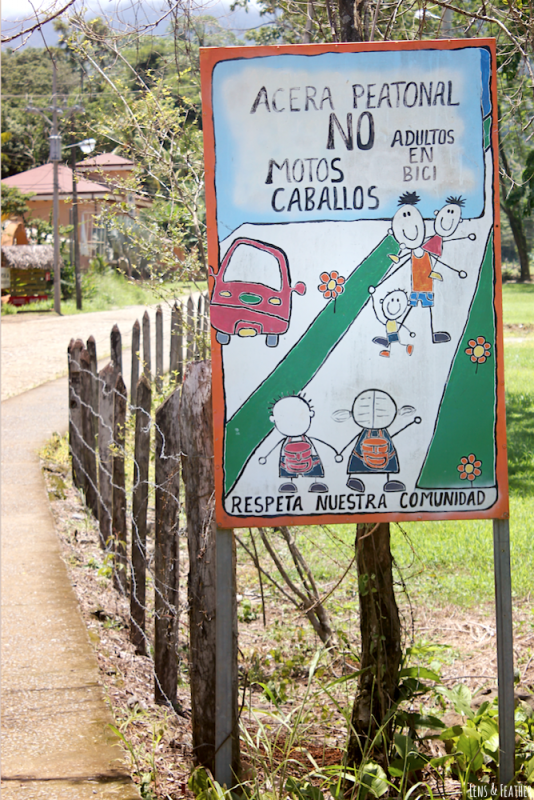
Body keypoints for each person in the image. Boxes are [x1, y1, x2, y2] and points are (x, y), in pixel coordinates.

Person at [333, 389, 421, 493]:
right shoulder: (368, 433)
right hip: (365, 452)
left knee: (387, 458)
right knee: (359, 458)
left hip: (383, 453)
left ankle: (388, 481)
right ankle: (354, 479)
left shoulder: (382, 433)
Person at [258, 394, 342, 493]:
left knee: (313, 464)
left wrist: (335, 451)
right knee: (286, 466)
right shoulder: (286, 441)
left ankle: (315, 482)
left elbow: (320, 442)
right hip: (290, 459)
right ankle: (289, 483)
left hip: (308, 457)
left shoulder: (306, 439)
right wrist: (266, 456)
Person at [369, 287, 416, 357]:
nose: (394, 304)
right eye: (392, 300)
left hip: (393, 333)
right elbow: (379, 317)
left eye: (397, 300)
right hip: (390, 333)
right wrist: (373, 297)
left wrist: (409, 331)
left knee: (395, 343)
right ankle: (404, 348)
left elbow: (401, 324)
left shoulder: (393, 322)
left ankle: (405, 348)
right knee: (393, 343)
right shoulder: (389, 322)